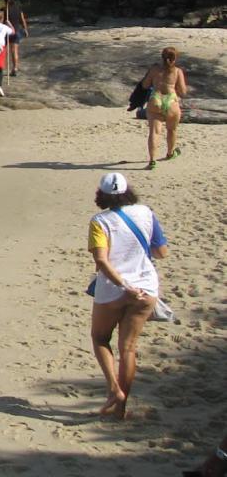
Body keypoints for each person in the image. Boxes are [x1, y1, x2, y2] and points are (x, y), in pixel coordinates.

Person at [87, 171, 168, 420]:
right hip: (145, 287)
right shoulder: (146, 213)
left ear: (101, 194)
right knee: (129, 348)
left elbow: (101, 260)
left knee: (100, 338)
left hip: (113, 289)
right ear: (127, 192)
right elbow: (162, 252)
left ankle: (114, 390)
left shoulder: (99, 221)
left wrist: (123, 284)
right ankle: (121, 409)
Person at [140, 46, 189, 169]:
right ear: (175, 58)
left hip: (156, 99)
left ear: (162, 57)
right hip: (171, 101)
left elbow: (145, 85)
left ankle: (152, 161)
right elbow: (183, 91)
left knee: (154, 132)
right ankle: (170, 153)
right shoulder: (177, 71)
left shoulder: (154, 69)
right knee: (171, 130)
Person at [3, 0, 29, 75]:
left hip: (6, 32)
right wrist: (25, 29)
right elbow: (22, 20)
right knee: (14, 51)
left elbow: (0, 21)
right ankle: (15, 68)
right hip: (16, 31)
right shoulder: (18, 9)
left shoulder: (4, 10)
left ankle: (0, 66)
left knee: (3, 50)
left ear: (5, 1)